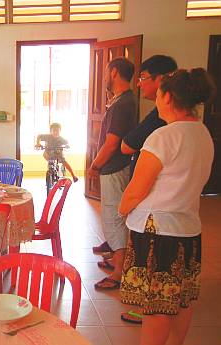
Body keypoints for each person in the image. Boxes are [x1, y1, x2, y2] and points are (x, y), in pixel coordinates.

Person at [118, 68, 215, 345]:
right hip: (187, 229)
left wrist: (122, 208)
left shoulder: (163, 137)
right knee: (181, 299)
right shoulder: (202, 133)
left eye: (158, 94)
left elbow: (136, 190)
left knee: (157, 306)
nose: (156, 100)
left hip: (157, 233)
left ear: (168, 96)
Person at [118, 55, 178, 324]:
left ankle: (149, 311)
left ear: (163, 82)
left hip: (156, 215)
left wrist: (125, 207)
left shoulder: (163, 131)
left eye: (143, 78)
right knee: (171, 275)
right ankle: (162, 308)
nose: (139, 84)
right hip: (181, 219)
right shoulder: (199, 132)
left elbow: (128, 144)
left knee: (152, 266)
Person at [87, 57, 137, 290]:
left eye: (107, 72)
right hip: (115, 166)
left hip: (114, 167)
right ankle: (116, 259)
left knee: (114, 216)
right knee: (111, 215)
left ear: (114, 72)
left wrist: (95, 165)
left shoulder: (123, 104)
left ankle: (119, 271)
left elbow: (112, 143)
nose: (105, 77)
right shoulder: (121, 101)